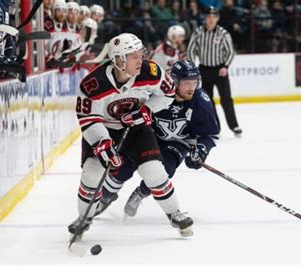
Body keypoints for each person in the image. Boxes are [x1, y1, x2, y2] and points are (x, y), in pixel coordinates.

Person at [68, 33, 194, 240]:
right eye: (134, 56)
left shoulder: (151, 71)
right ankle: (84, 218)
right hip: (104, 130)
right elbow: (88, 118)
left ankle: (174, 213)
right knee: (92, 173)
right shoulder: (93, 84)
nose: (140, 59)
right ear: (119, 60)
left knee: (154, 172)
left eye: (140, 54)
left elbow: (168, 93)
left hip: (137, 129)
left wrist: (147, 109)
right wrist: (102, 143)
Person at [94, 60, 220, 218]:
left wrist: (201, 150)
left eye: (194, 82)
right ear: (174, 81)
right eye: (187, 83)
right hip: (147, 136)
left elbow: (210, 134)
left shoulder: (201, 102)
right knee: (123, 167)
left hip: (177, 143)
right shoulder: (156, 94)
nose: (191, 87)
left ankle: (140, 193)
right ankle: (104, 197)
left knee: (165, 170)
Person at [187, 6, 242, 137]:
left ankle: (234, 125)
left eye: (213, 17)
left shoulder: (223, 33)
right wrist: (192, 67)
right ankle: (215, 127)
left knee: (226, 99)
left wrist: (225, 66)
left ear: (217, 18)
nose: (211, 19)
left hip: (220, 70)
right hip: (204, 70)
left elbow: (230, 52)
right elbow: (190, 50)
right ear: (204, 18)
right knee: (207, 101)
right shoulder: (198, 32)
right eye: (208, 17)